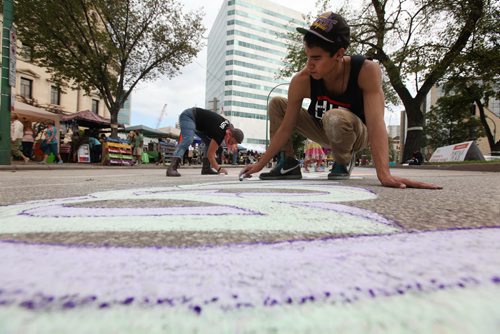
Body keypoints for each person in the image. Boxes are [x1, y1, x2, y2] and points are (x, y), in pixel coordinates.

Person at [240, 11, 441, 189]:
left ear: (339, 54)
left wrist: (384, 173)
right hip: (322, 128)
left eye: (316, 58)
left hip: (355, 134)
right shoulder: (302, 80)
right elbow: (285, 127)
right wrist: (259, 164)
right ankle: (288, 163)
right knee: (277, 103)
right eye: (307, 56)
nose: (309, 65)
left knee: (334, 117)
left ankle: (343, 161)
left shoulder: (366, 71)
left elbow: (377, 123)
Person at [166, 107, 244, 177]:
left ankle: (206, 168)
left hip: (198, 125)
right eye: (232, 142)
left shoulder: (229, 128)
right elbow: (211, 155)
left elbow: (233, 129)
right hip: (189, 116)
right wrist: (219, 169)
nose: (231, 144)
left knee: (209, 142)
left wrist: (234, 143)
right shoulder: (220, 133)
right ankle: (172, 167)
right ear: (230, 134)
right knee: (188, 139)